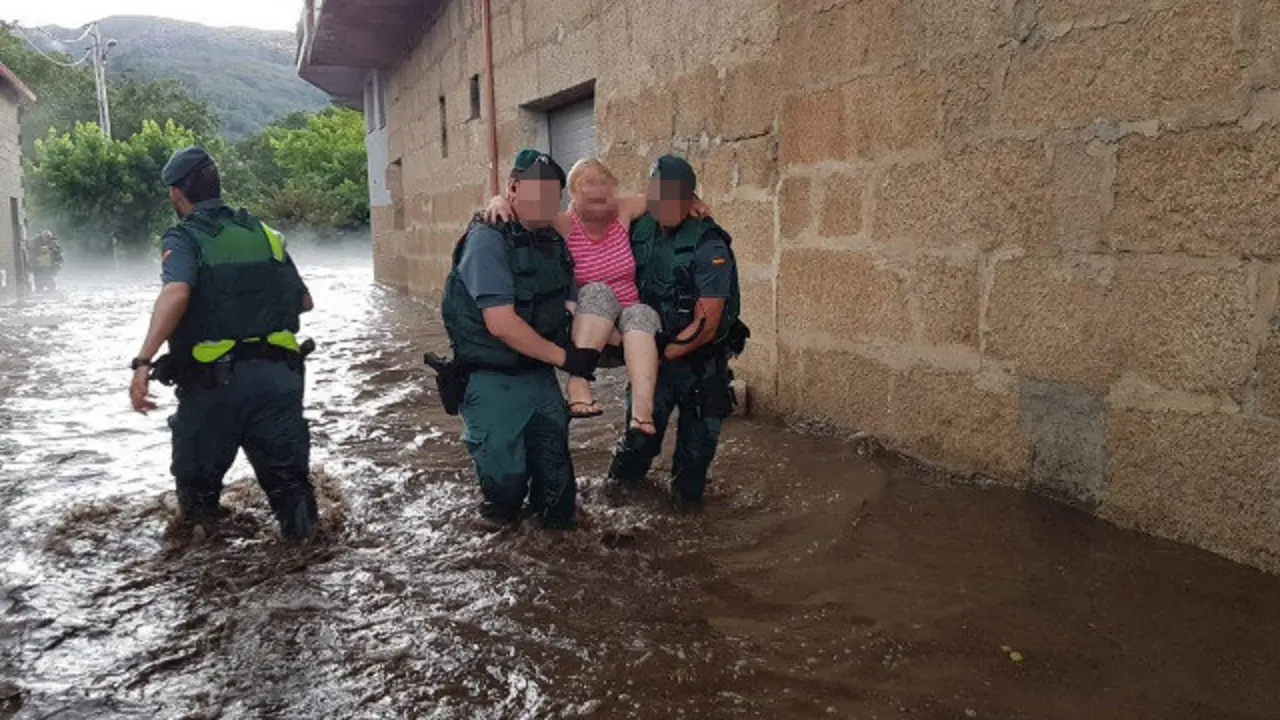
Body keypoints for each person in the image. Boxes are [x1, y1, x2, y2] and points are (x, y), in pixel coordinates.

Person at [127, 146, 320, 542]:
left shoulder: (183, 238)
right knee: (293, 493)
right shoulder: (265, 234)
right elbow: (304, 301)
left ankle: (203, 574)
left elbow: (177, 293)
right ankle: (309, 561)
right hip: (279, 380)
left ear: (176, 195)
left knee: (197, 505)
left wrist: (143, 361)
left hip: (214, 387)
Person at [484, 159, 710, 436]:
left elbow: (661, 197)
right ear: (573, 196)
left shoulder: (623, 211)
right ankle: (578, 382)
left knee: (643, 313)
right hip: (591, 327)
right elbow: (524, 212)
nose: (598, 189)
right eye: (588, 184)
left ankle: (642, 413)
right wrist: (498, 201)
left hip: (628, 328)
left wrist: (693, 200)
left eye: (603, 182)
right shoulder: (565, 224)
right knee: (597, 290)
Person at [441, 149, 599, 529]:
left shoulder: (554, 237)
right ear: (512, 188)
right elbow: (501, 324)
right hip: (490, 379)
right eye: (537, 191)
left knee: (558, 494)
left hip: (539, 377)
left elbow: (570, 301)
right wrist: (567, 360)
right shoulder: (487, 239)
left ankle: (559, 561)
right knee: (505, 492)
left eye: (554, 194)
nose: (547, 202)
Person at [608, 156, 748, 507]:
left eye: (676, 198)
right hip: (654, 363)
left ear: (690, 199)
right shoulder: (639, 227)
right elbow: (591, 210)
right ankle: (615, 508)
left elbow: (708, 323)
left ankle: (686, 523)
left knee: (693, 464)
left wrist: (661, 354)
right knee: (637, 445)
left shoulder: (709, 242)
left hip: (701, 365)